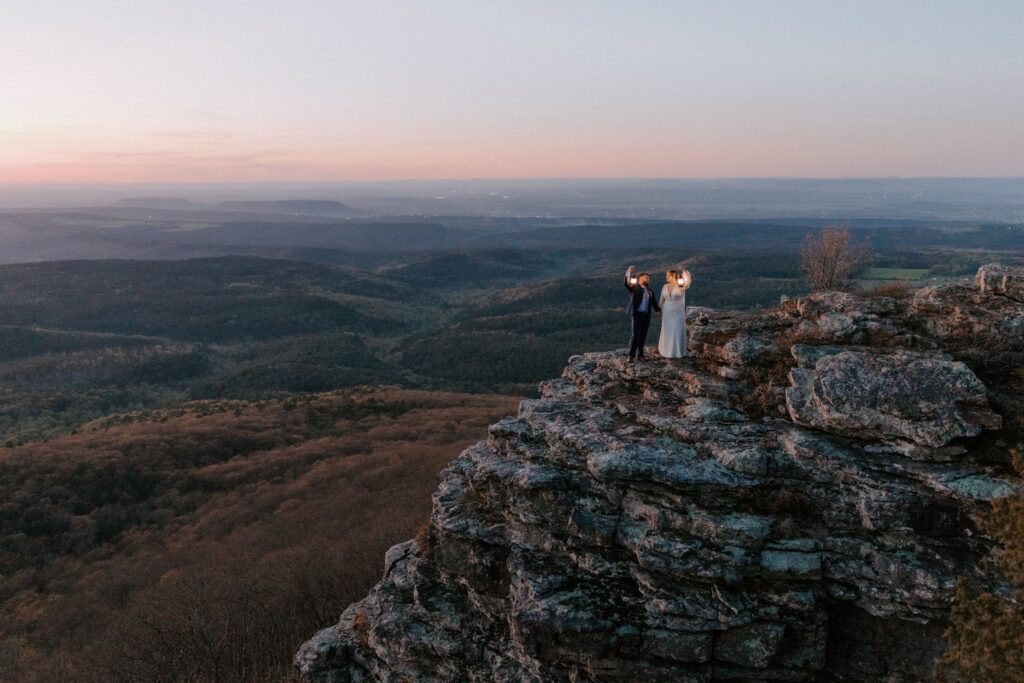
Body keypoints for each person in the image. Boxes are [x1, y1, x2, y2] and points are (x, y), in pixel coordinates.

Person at [624, 266, 661, 362]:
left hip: (646, 316)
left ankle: (640, 355)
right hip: (637, 315)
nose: (648, 279)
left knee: (643, 336)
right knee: (635, 335)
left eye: (649, 278)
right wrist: (629, 272)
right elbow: (627, 284)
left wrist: (658, 311)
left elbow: (654, 303)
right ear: (639, 279)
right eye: (646, 278)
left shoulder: (650, 291)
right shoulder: (635, 288)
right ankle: (631, 356)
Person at [658, 269, 691, 359]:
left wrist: (684, 271)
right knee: (667, 330)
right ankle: (666, 351)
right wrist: (659, 310)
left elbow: (688, 281)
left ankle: (677, 351)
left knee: (677, 329)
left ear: (672, 276)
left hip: (678, 312)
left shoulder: (681, 285)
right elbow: (661, 300)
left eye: (667, 275)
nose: (666, 277)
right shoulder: (664, 286)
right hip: (667, 313)